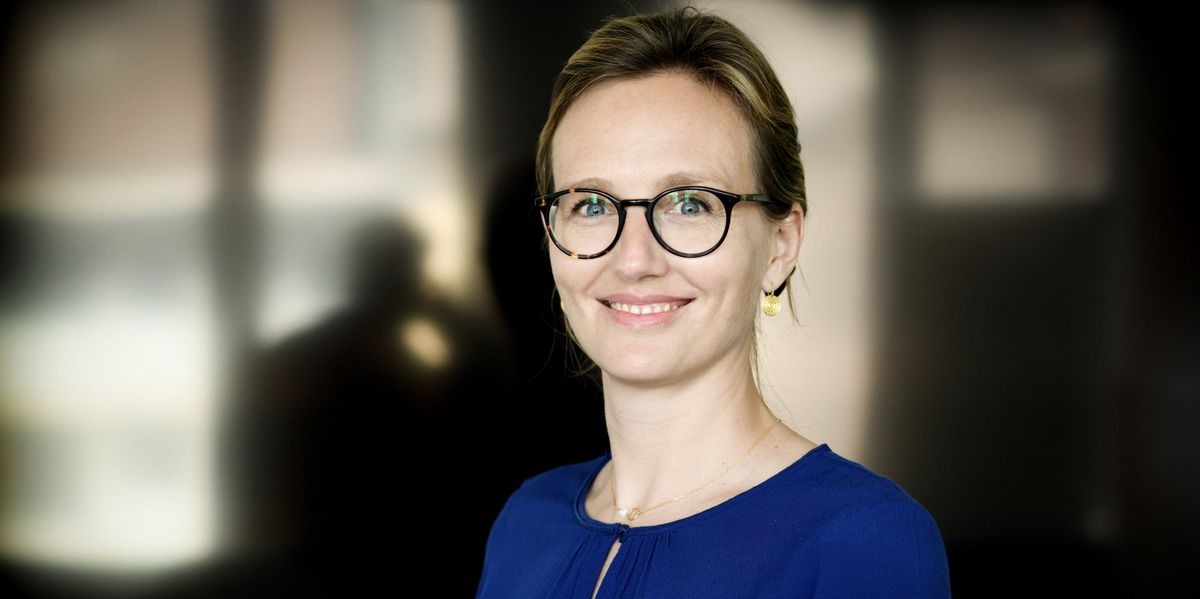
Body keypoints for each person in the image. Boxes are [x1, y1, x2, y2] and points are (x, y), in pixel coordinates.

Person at [476, 7, 951, 598]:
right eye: (591, 205)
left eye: (690, 203)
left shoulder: (865, 540)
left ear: (781, 245)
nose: (633, 259)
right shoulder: (525, 523)